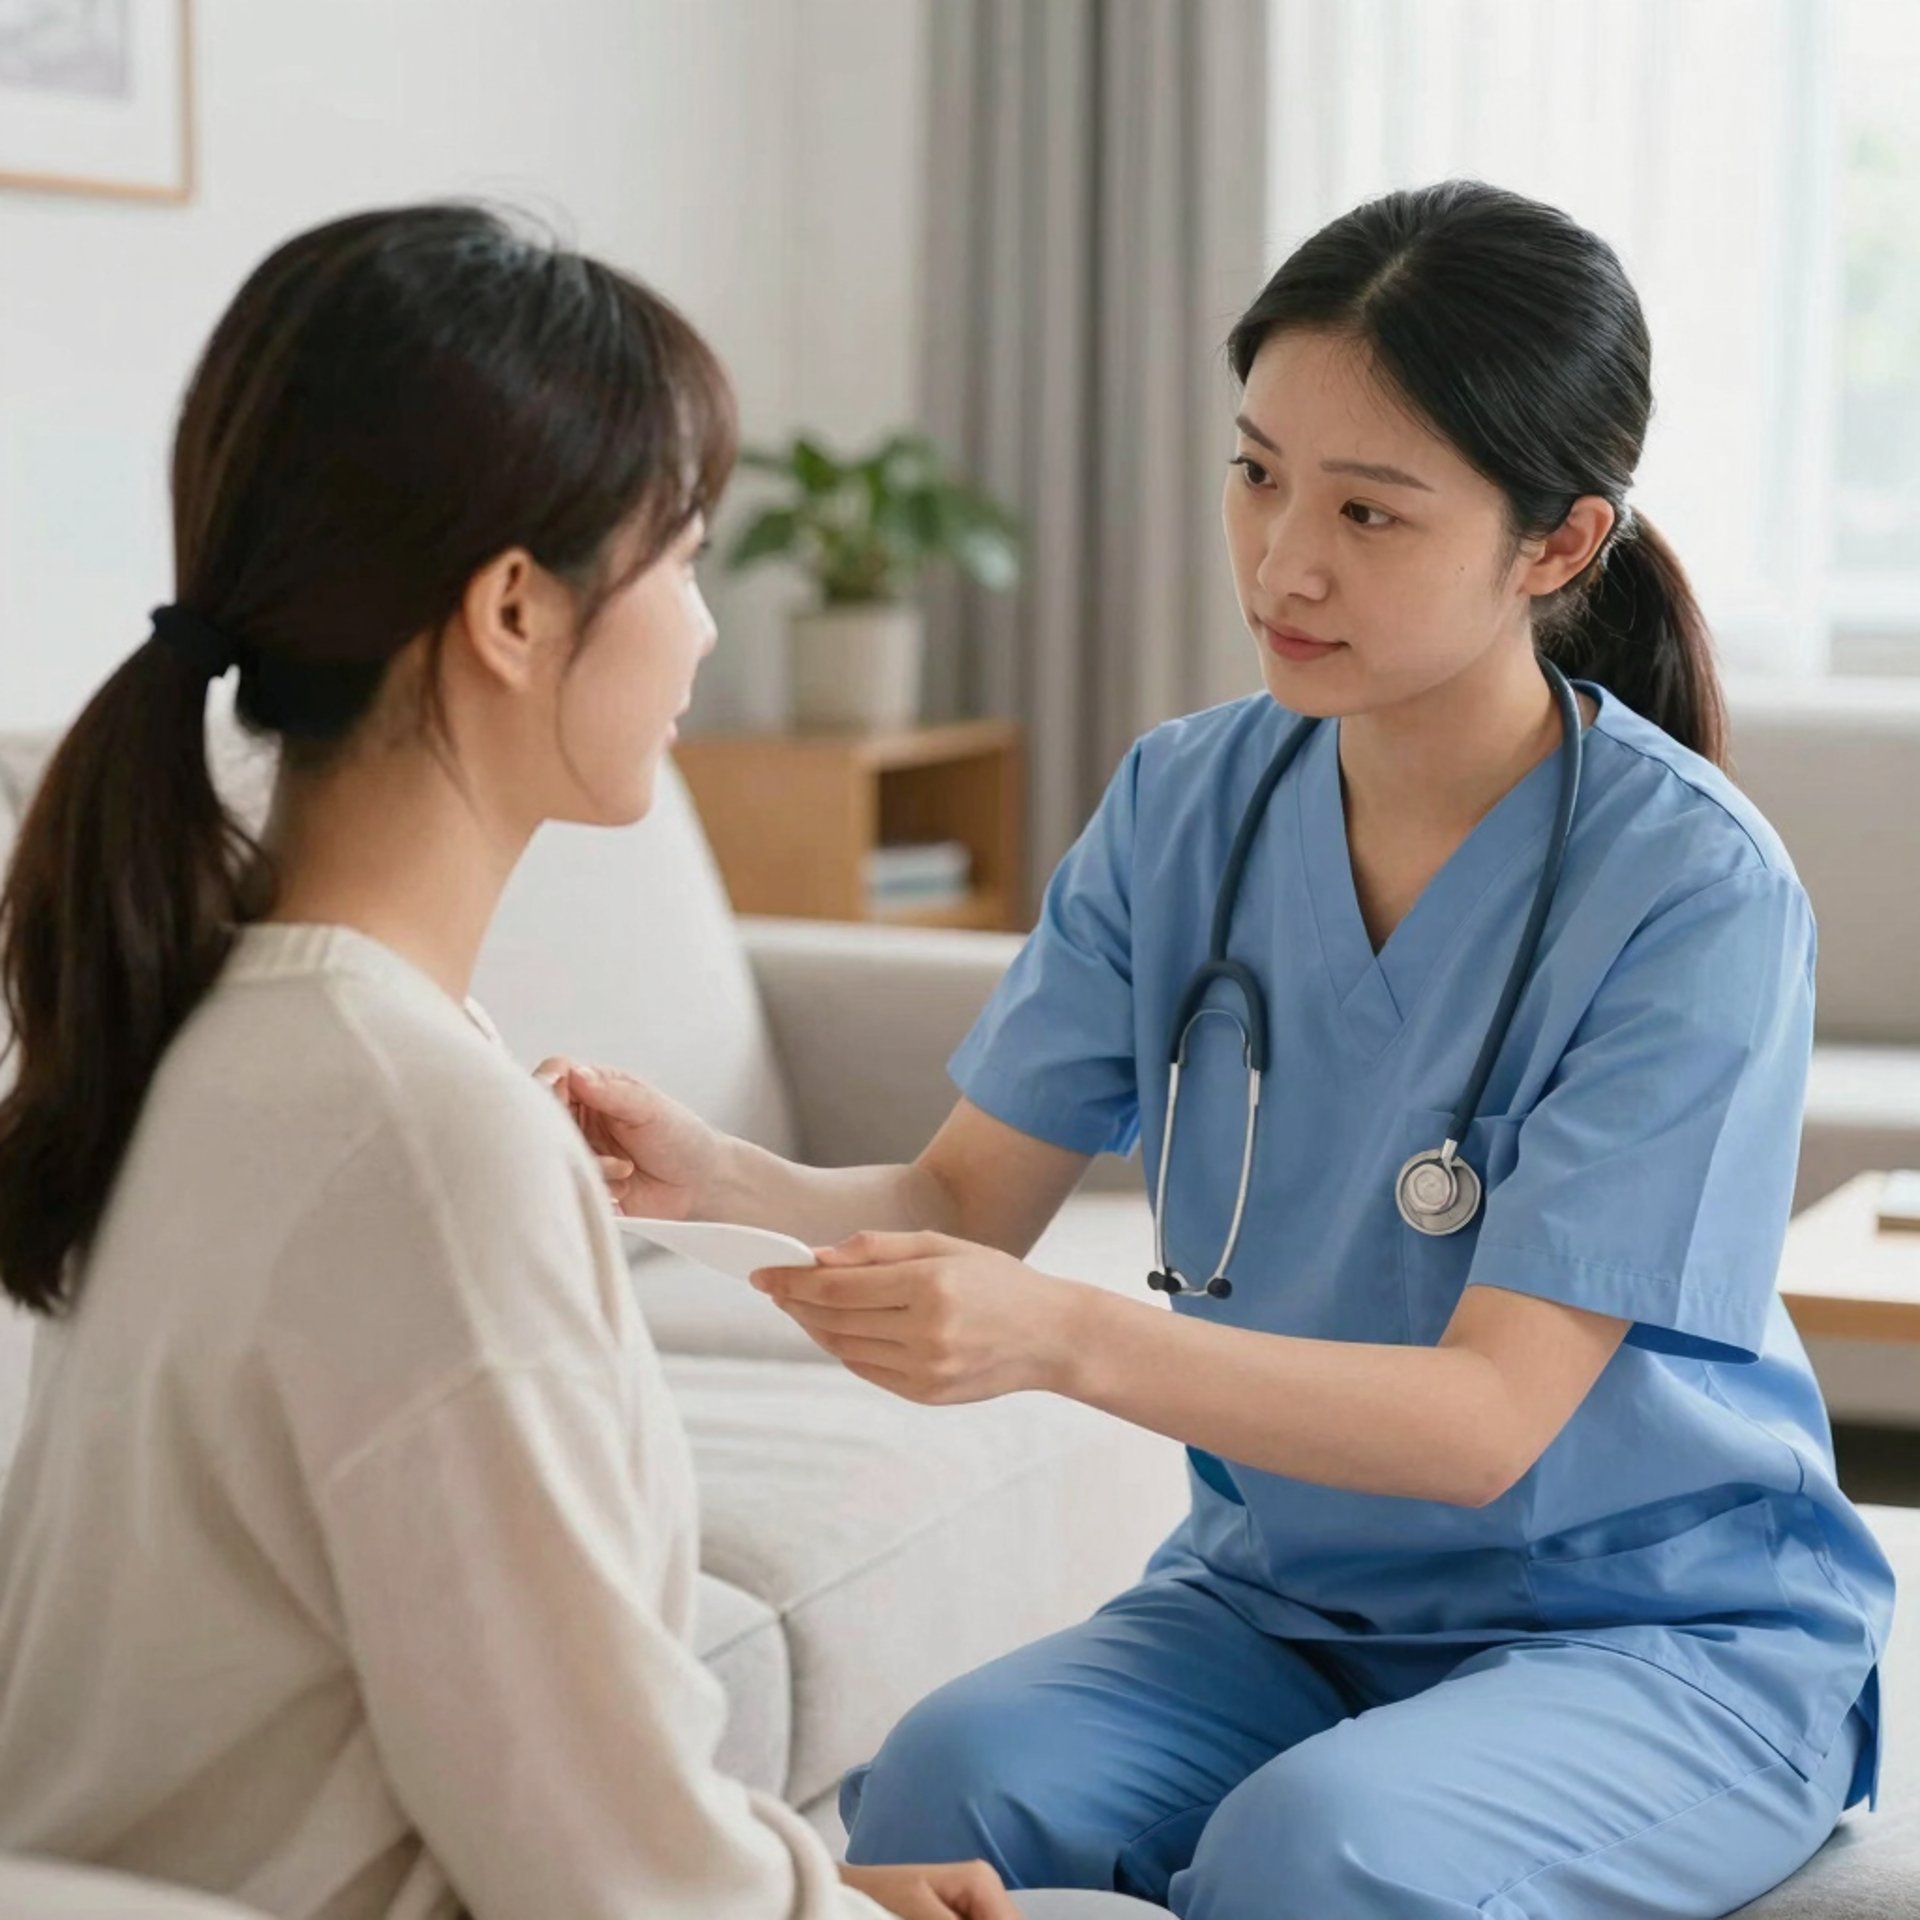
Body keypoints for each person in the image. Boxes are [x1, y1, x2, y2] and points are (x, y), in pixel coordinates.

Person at [543, 182, 1896, 1919]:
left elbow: (1492, 1423)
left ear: (1557, 544)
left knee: (1315, 1854)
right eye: (1257, 473)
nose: (1283, 561)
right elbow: (964, 1196)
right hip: (1280, 1608)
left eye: (1370, 512)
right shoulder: (1189, 801)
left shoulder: (1691, 893)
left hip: (1649, 1628)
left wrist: (1067, 1341)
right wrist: (711, 1177)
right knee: (944, 1781)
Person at [0, 203, 1037, 1920]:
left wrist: (816, 1893)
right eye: (684, 557)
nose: (703, 630)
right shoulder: (411, 1131)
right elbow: (603, 1879)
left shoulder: (243, 1027)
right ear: (509, 611)